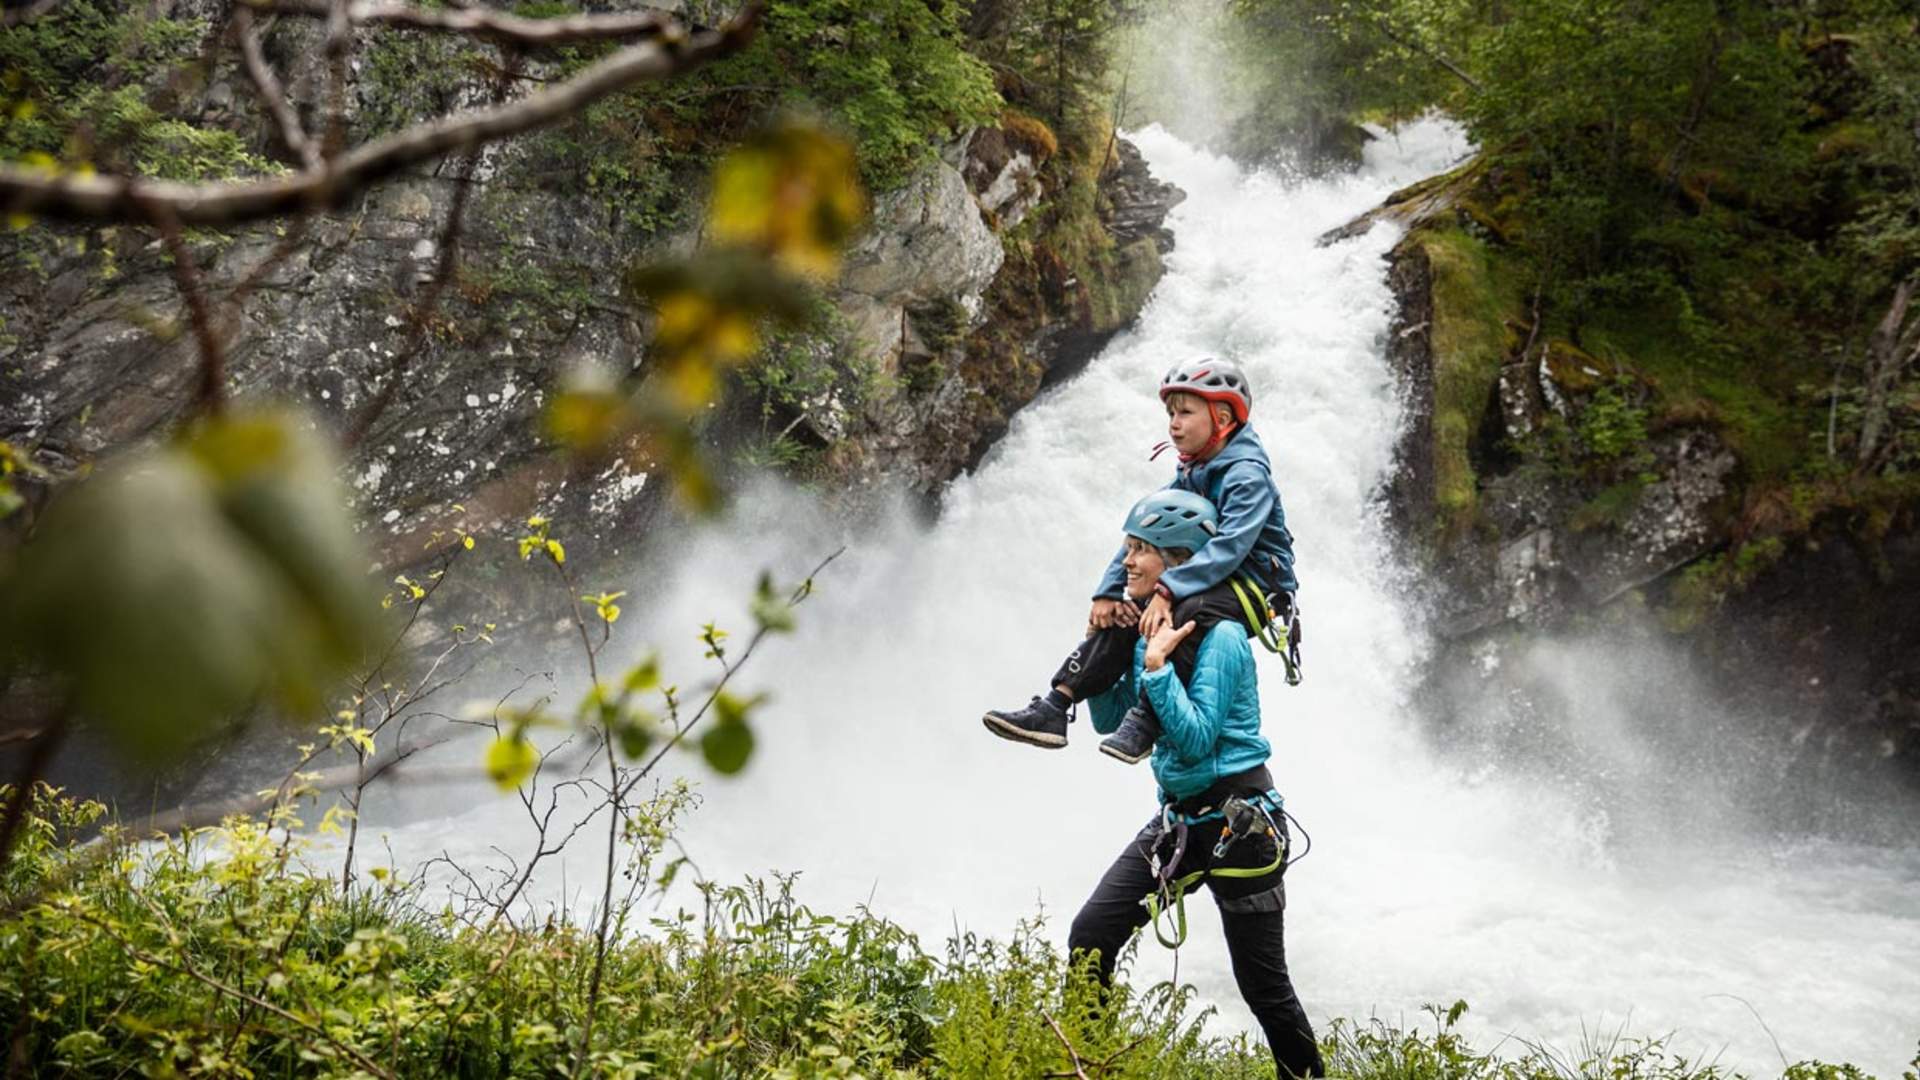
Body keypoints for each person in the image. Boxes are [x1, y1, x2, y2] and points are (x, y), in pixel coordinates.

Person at [1066, 488, 1323, 1078]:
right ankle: (1086, 1065)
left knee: (1264, 988)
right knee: (1092, 933)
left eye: (1141, 551)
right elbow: (1110, 721)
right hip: (1181, 819)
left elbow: (1198, 736)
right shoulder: (1152, 628)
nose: (1126, 562)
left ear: (1178, 560)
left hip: (1242, 826)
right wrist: (1108, 654)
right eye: (1128, 548)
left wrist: (1156, 669)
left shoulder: (1226, 637)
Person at [982, 357, 1297, 763]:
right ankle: (1056, 705)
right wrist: (1109, 592)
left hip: (1256, 587)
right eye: (1170, 413)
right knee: (1126, 612)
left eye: (1185, 412)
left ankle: (1146, 720)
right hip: (1205, 581)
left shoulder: (1246, 475)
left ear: (1221, 417)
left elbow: (1231, 546)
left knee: (1187, 608)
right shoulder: (1194, 469)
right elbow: (1147, 533)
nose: (1174, 423)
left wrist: (1167, 590)